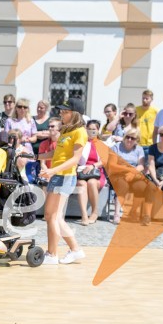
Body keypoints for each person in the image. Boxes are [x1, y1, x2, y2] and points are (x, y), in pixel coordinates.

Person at [38, 98, 87, 265]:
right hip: (58, 175)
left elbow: (75, 159)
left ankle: (52, 254)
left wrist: (52, 170)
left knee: (52, 216)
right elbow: (56, 155)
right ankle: (75, 250)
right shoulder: (65, 130)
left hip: (65, 176)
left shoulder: (80, 131)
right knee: (54, 217)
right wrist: (33, 157)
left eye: (65, 111)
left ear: (74, 114)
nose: (61, 113)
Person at [108, 128, 147, 225]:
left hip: (133, 174)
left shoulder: (139, 149)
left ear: (136, 140)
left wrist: (132, 172)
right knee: (122, 185)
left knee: (141, 186)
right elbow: (112, 164)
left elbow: (141, 165)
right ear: (124, 137)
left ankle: (132, 213)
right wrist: (127, 171)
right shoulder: (116, 147)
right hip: (118, 174)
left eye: (132, 138)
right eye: (128, 137)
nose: (129, 140)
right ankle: (117, 214)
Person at [75, 120, 106, 226]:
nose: (91, 131)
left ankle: (94, 212)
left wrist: (93, 165)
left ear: (98, 130)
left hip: (96, 172)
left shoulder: (101, 144)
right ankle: (84, 214)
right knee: (82, 184)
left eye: (94, 129)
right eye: (89, 129)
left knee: (92, 182)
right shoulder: (81, 142)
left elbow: (104, 161)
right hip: (82, 172)